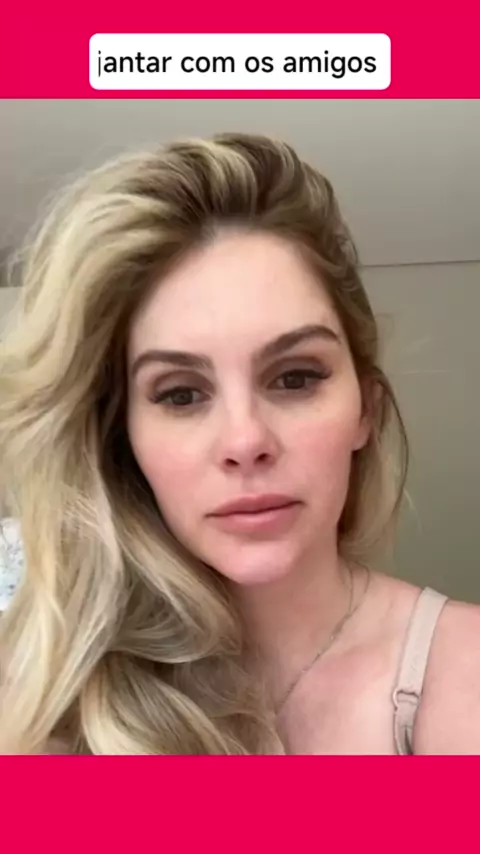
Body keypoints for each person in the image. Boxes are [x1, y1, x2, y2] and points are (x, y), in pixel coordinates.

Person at [1, 133, 479, 756]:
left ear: (365, 408)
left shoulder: (462, 674)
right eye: (180, 394)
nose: (246, 440)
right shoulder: (42, 693)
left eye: (295, 378)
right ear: (123, 436)